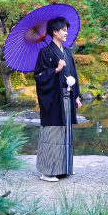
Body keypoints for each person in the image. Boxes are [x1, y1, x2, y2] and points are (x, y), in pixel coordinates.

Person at [33, 16, 82, 182]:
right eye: (64, 30)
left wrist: (76, 96)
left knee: (65, 133)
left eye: (66, 29)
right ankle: (47, 171)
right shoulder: (45, 52)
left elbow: (73, 75)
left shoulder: (67, 51)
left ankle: (63, 168)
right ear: (55, 32)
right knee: (53, 133)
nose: (66, 32)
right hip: (53, 99)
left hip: (67, 98)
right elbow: (38, 75)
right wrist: (55, 69)